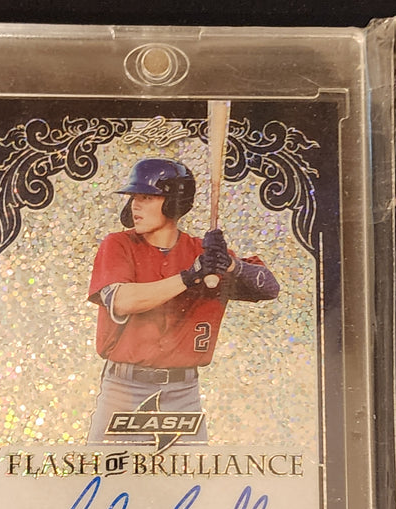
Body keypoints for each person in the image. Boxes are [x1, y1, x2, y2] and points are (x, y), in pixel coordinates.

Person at [87, 157, 279, 444]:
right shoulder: (118, 244)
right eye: (134, 198)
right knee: (104, 469)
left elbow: (270, 288)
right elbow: (122, 300)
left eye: (146, 197)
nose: (135, 206)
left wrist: (231, 265)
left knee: (190, 471)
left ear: (173, 203)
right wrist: (189, 277)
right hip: (123, 390)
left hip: (183, 393)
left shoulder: (204, 255)